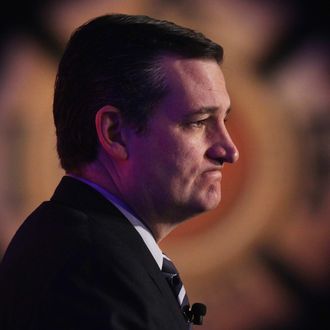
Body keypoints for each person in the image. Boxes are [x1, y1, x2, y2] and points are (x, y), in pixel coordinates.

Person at [0, 14, 239, 330]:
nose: (229, 151)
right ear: (115, 133)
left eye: (225, 120)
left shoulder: (84, 250)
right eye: (198, 122)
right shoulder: (90, 273)